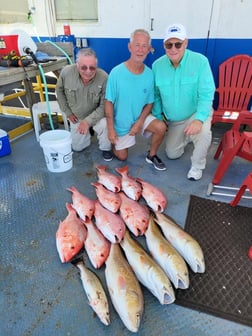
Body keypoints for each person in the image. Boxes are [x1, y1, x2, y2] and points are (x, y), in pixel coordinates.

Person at [152, 23, 215, 180]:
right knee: (172, 154)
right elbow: (156, 95)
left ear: (185, 43)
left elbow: (206, 94)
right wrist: (160, 117)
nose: (173, 48)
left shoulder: (201, 62)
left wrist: (200, 120)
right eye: (169, 44)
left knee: (204, 133)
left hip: (196, 113)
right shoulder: (157, 66)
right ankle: (186, 136)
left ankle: (197, 166)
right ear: (164, 45)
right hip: (175, 119)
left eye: (178, 44)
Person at [104, 29, 167, 171]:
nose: (140, 50)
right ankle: (113, 143)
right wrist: (110, 129)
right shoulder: (116, 72)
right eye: (137, 45)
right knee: (122, 157)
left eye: (145, 46)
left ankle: (152, 155)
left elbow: (150, 102)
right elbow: (108, 102)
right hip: (121, 122)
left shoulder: (150, 74)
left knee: (161, 127)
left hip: (140, 117)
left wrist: (139, 123)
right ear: (129, 47)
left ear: (149, 49)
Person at [56, 48, 112, 161]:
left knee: (105, 124)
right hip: (77, 117)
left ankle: (106, 148)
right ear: (77, 65)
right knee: (77, 148)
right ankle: (88, 132)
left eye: (92, 67)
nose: (88, 71)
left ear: (96, 66)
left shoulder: (104, 77)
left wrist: (88, 122)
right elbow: (59, 91)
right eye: (83, 67)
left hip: (97, 116)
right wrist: (68, 112)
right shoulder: (66, 72)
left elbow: (104, 106)